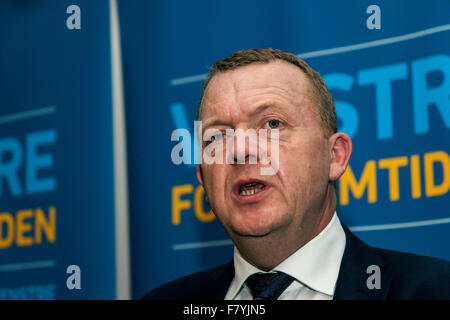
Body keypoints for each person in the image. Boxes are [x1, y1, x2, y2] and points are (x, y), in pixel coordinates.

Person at [143, 48, 450, 300]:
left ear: (335, 157)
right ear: (203, 178)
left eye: (272, 124)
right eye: (218, 137)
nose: (240, 151)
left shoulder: (434, 290)